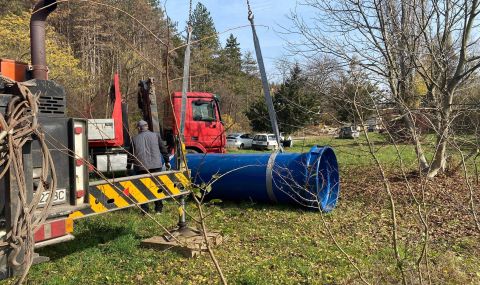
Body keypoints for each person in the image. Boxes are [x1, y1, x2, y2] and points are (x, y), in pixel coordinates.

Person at [128, 120, 171, 214]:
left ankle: (145, 210)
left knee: (143, 188)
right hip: (156, 166)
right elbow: (163, 149)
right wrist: (167, 161)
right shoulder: (156, 136)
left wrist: (128, 166)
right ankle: (158, 209)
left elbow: (130, 155)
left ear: (139, 128)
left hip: (141, 167)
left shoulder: (134, 139)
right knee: (157, 187)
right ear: (147, 127)